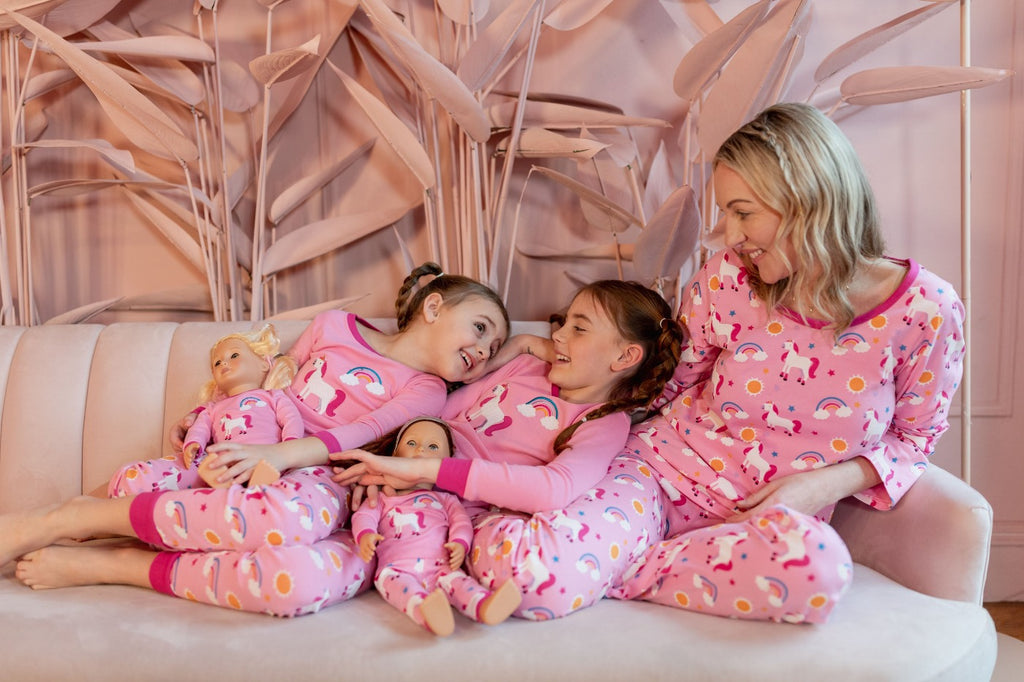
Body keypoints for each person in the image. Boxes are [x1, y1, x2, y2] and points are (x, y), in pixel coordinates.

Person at [602, 102, 967, 624]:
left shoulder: (925, 310)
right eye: (727, 214)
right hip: (655, 477)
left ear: (809, 202)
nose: (730, 235)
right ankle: (601, 557)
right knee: (541, 569)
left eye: (743, 212)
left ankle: (613, 568)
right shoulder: (728, 277)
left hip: (761, 528)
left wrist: (824, 485)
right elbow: (667, 384)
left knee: (818, 574)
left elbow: (915, 439)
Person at [2, 263, 510, 618]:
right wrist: (205, 416)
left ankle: (125, 564)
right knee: (139, 480)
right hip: (252, 443)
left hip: (321, 482)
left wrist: (275, 457)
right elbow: (270, 383)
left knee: (300, 582)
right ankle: (69, 517)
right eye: (481, 328)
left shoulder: (426, 391)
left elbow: (351, 436)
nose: (485, 350)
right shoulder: (334, 326)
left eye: (494, 347)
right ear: (434, 306)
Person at [334, 279, 683, 620]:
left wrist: (425, 471)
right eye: (564, 323)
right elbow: (436, 414)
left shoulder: (604, 421)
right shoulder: (525, 367)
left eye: (579, 329)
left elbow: (554, 488)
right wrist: (388, 459)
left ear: (625, 356)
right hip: (401, 474)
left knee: (516, 560)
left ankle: (439, 592)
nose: (558, 335)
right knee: (336, 504)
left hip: (451, 514)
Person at [350, 417, 521, 636]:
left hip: (442, 566)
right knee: (402, 590)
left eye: (433, 446)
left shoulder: (446, 500)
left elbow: (461, 523)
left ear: (447, 461)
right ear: (394, 455)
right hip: (396, 569)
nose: (421, 449)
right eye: (411, 443)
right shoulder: (384, 498)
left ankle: (483, 605)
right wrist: (365, 535)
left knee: (460, 583)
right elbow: (364, 516)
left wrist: (460, 543)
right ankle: (427, 612)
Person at [107, 324, 301, 495]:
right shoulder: (212, 408)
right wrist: (193, 444)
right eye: (217, 363)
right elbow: (200, 428)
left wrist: (290, 445)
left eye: (234, 355)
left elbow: (291, 419)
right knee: (206, 466)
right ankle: (224, 487)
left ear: (263, 363)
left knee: (267, 472)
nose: (224, 363)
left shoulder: (274, 396)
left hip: (266, 457)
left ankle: (255, 486)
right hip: (222, 463)